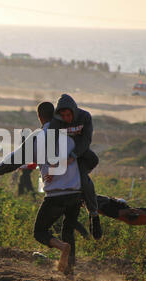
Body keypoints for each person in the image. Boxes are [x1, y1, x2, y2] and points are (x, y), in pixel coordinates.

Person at [0, 101, 83, 274]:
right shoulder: (69, 135)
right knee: (68, 231)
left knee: (40, 232)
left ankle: (62, 247)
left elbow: (15, 159)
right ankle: (69, 272)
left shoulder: (40, 136)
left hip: (56, 194)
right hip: (76, 191)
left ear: (39, 117)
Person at [48, 94, 102, 240]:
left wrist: (73, 155)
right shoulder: (56, 122)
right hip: (62, 158)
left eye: (68, 114)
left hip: (81, 155)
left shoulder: (85, 117)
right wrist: (53, 165)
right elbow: (51, 143)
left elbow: (86, 140)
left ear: (74, 111)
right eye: (63, 115)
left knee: (83, 180)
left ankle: (94, 215)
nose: (66, 118)